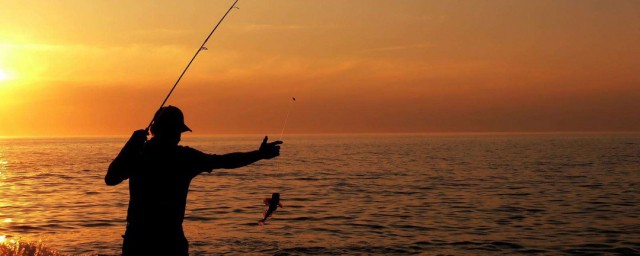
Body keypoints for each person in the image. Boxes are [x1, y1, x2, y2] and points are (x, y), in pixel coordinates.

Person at [105, 105, 282, 256]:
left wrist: (130, 146)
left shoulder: (139, 154)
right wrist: (260, 154)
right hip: (170, 240)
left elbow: (111, 178)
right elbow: (225, 161)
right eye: (178, 132)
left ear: (153, 130)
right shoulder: (183, 158)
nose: (179, 137)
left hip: (138, 240)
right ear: (175, 133)